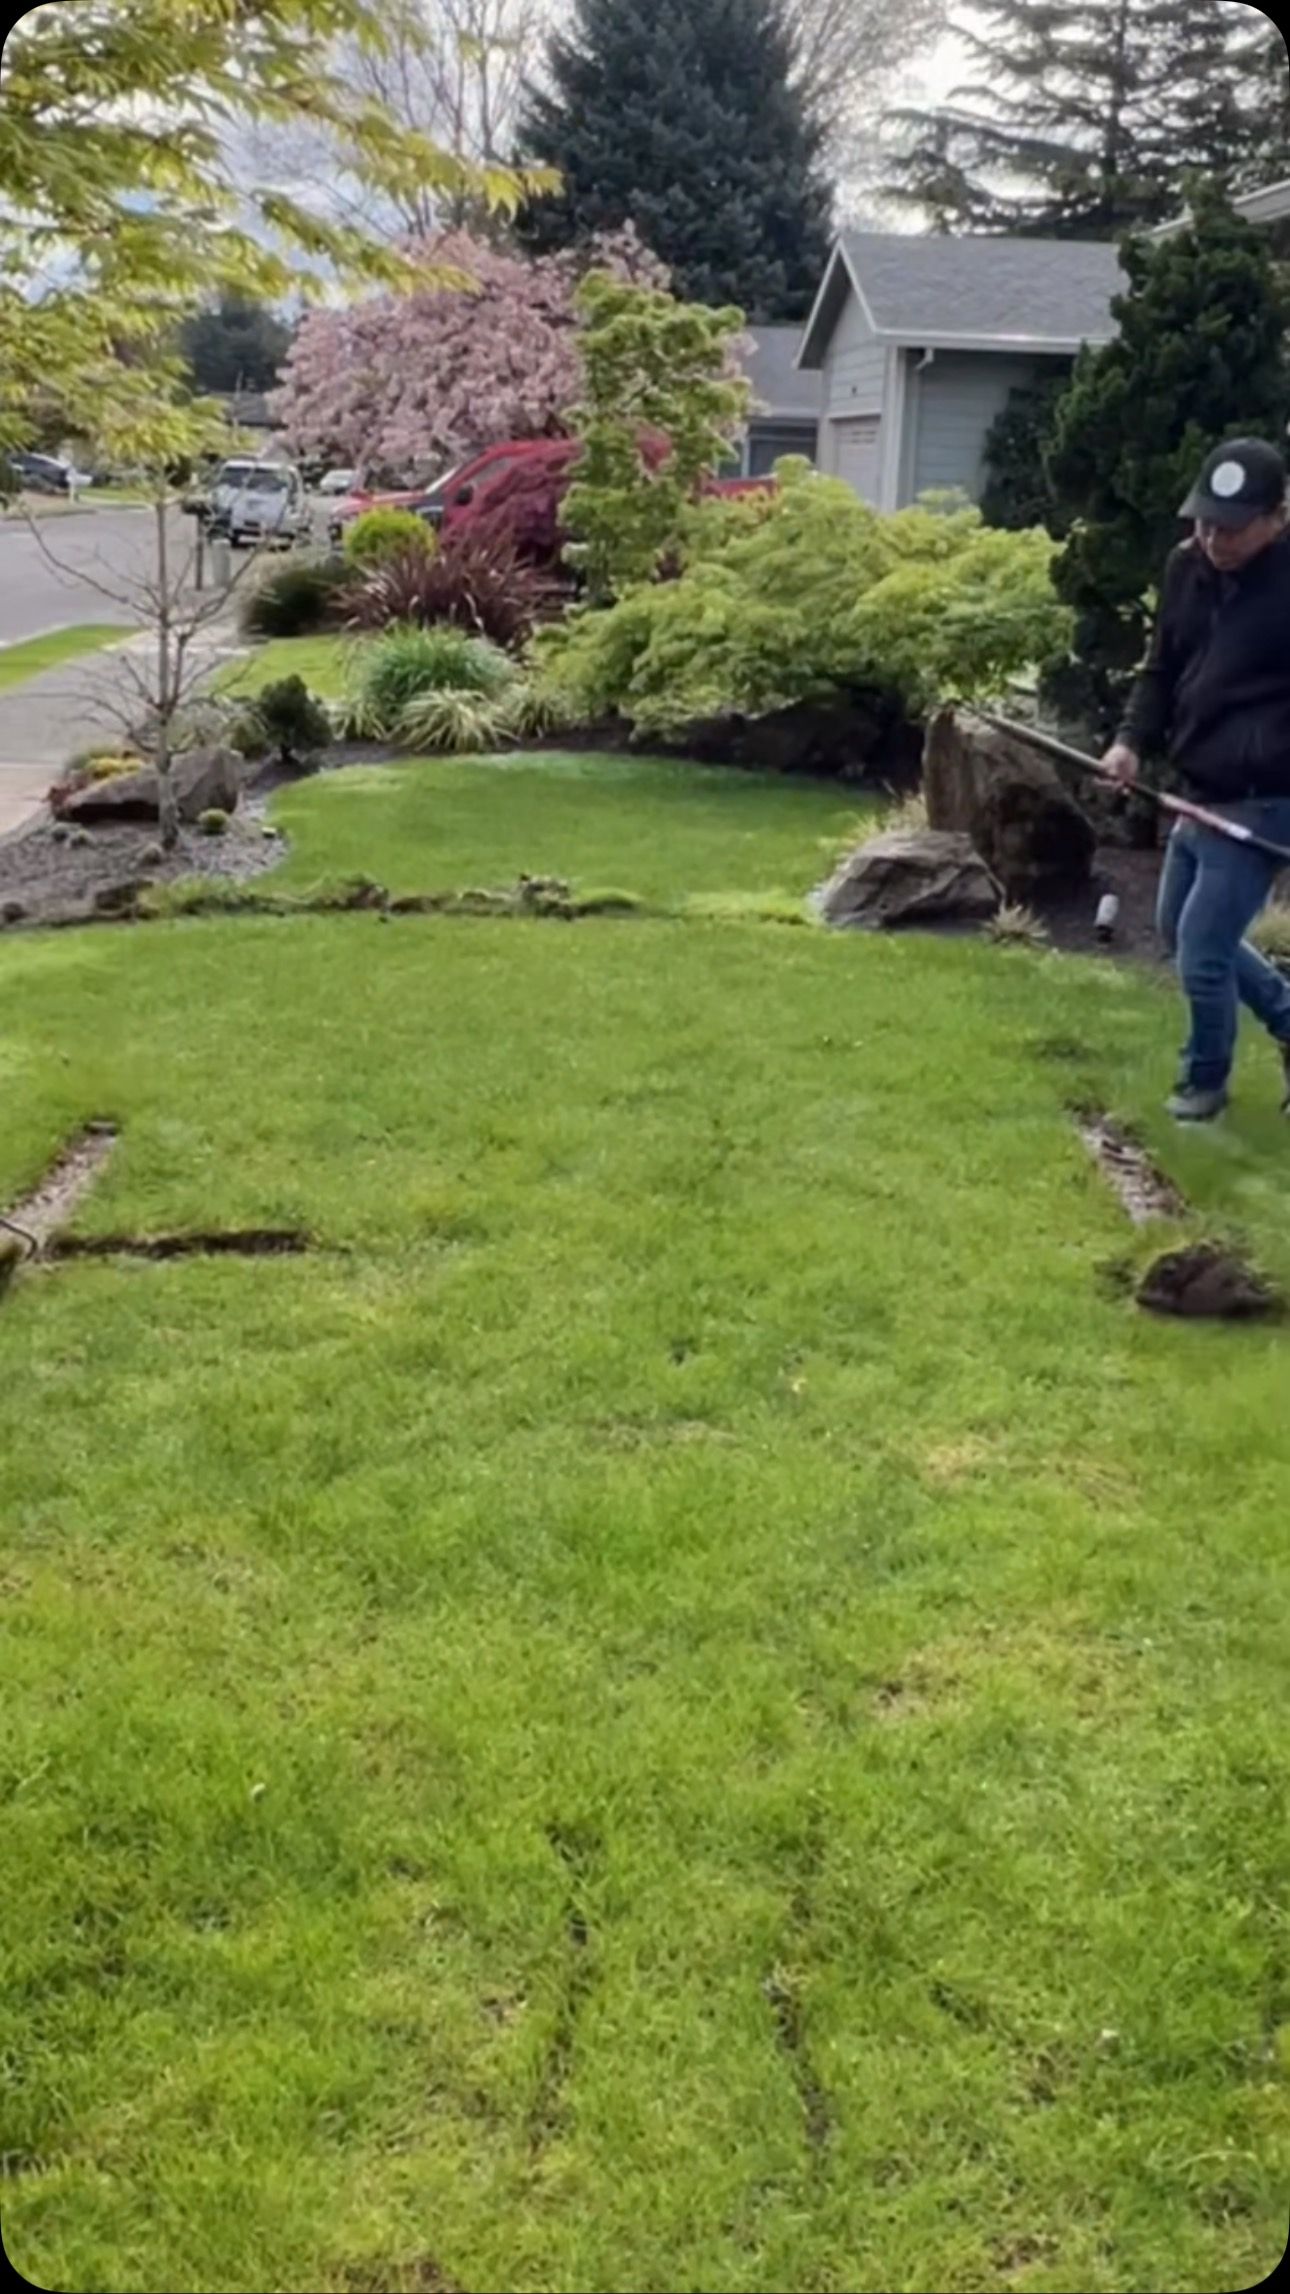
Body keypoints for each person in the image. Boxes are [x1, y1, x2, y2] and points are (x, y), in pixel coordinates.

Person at [1100, 436, 1290, 1122]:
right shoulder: (1187, 569)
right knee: (1178, 933)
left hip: (1265, 800)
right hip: (1195, 787)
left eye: (1232, 527)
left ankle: (1202, 1085)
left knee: (1203, 950)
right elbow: (1160, 670)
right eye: (1204, 521)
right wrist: (1129, 744)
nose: (1214, 539)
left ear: (1278, 516)